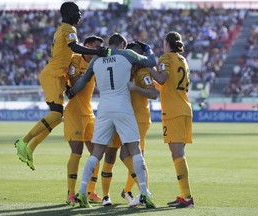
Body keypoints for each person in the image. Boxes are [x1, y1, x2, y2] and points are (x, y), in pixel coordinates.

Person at [66, 33, 157, 208]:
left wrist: (71, 92)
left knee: (97, 152)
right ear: (122, 45)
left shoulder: (96, 60)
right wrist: (148, 49)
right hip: (123, 106)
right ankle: (144, 192)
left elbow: (83, 81)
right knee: (134, 149)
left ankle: (82, 193)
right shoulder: (126, 55)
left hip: (104, 108)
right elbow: (151, 62)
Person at [14, 1, 108, 170]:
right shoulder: (68, 29)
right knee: (57, 114)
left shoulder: (62, 29)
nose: (79, 14)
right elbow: (74, 47)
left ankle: (30, 148)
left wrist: (66, 86)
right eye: (77, 11)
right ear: (68, 12)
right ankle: (24, 141)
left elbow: (65, 54)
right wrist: (96, 52)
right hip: (52, 75)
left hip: (57, 76)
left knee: (57, 116)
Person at [100, 42, 158, 207]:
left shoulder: (141, 72)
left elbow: (154, 93)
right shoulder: (126, 71)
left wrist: (134, 88)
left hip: (139, 119)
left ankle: (144, 191)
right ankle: (137, 192)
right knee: (131, 157)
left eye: (133, 54)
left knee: (130, 156)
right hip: (127, 119)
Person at [146, 31, 194, 208]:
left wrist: (147, 66)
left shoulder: (165, 58)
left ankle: (187, 197)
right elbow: (165, 83)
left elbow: (162, 77)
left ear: (167, 43)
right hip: (184, 109)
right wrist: (154, 78)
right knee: (179, 154)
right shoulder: (182, 60)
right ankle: (185, 195)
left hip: (173, 111)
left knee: (177, 155)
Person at [64, 35, 104, 206]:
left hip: (89, 112)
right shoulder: (75, 59)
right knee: (77, 152)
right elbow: (74, 82)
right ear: (87, 46)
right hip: (74, 112)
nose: (98, 51)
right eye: (95, 47)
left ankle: (91, 191)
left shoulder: (97, 62)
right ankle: (71, 194)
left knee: (96, 153)